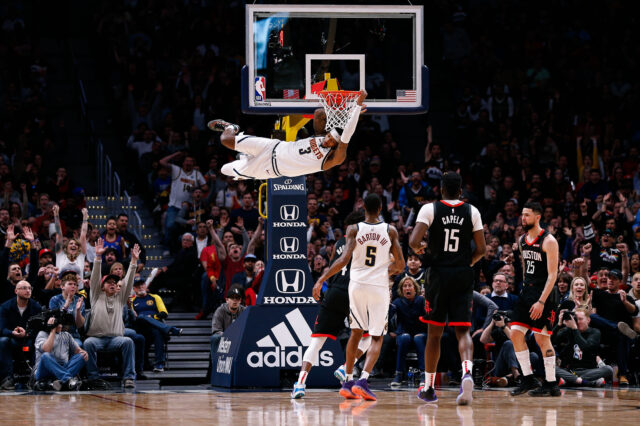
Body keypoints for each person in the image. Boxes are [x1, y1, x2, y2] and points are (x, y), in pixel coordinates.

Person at [315, 193, 405, 401]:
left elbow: (344, 258)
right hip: (378, 286)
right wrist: (385, 271)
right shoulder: (390, 231)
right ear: (381, 208)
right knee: (376, 336)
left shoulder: (353, 229)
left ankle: (347, 381)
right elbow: (400, 265)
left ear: (363, 207)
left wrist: (322, 279)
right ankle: (363, 380)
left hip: (356, 285)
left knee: (355, 332)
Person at [409, 171, 485, 405]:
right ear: (460, 191)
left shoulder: (429, 209)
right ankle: (467, 372)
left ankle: (430, 387)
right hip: (462, 274)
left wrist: (424, 250)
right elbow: (481, 249)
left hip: (438, 276)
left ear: (440, 189)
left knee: (434, 334)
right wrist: (465, 263)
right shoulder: (472, 211)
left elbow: (413, 242)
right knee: (463, 331)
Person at [291, 211, 371, 399]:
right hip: (355, 293)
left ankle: (300, 384)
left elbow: (337, 266)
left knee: (316, 342)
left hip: (334, 292)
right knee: (371, 337)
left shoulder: (339, 243)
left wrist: (321, 281)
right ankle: (345, 368)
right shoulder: (367, 242)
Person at [208, 90, 367, 180]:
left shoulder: (334, 158)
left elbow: (347, 135)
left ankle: (245, 164)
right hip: (272, 146)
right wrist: (346, 111)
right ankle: (231, 127)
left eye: (332, 141)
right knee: (225, 139)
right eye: (329, 136)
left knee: (224, 169)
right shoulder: (320, 135)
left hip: (269, 169)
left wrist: (358, 107)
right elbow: (319, 113)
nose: (327, 139)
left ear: (336, 146)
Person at [508, 201, 561, 397]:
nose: (523, 218)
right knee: (515, 333)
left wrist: (541, 301)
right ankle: (528, 378)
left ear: (537, 217)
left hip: (544, 294)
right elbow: (524, 268)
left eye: (527, 215)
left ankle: (551, 383)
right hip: (526, 292)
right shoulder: (522, 240)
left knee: (541, 338)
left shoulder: (549, 241)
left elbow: (552, 275)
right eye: (522, 215)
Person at [83, 239, 140, 388]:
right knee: (88, 343)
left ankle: (128, 377)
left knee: (128, 341)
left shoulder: (120, 298)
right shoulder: (96, 295)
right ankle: (93, 377)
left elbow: (128, 282)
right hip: (97, 339)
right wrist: (97, 258)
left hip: (116, 338)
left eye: (115, 282)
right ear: (102, 286)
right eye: (109, 282)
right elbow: (95, 277)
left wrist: (133, 261)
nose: (113, 284)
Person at [131, 280, 182, 372]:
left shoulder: (155, 297)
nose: (140, 287)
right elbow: (132, 316)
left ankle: (159, 365)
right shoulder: (132, 301)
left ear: (146, 286)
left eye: (142, 285)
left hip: (154, 326)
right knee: (142, 317)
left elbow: (164, 313)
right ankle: (170, 329)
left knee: (158, 333)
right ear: (134, 289)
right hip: (140, 327)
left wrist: (152, 317)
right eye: (137, 286)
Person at [552, 309, 612, 387]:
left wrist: (575, 329)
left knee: (608, 369)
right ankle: (584, 381)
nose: (578, 322)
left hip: (590, 371)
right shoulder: (570, 330)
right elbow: (551, 341)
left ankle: (571, 381)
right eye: (576, 319)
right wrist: (559, 324)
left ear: (588, 320)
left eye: (581, 319)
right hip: (572, 371)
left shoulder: (595, 332)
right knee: (551, 368)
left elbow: (586, 347)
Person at [0, 281, 43, 390]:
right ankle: (7, 378)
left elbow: (38, 328)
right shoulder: (5, 306)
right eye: (24, 288)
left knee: (38, 341)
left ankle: (36, 377)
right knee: (3, 341)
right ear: (16, 291)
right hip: (11, 339)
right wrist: (12, 333)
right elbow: (1, 328)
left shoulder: (36, 307)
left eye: (29, 288)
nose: (28, 290)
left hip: (28, 339)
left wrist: (27, 333)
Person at [33, 315, 88, 391]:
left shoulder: (66, 335)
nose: (61, 326)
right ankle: (67, 379)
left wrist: (84, 353)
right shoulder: (42, 334)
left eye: (61, 324)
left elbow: (78, 350)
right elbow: (47, 349)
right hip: (44, 371)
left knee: (82, 356)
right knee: (46, 356)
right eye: (58, 324)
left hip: (62, 368)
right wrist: (52, 330)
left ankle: (58, 383)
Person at [390, 276, 428, 387]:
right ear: (401, 290)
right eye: (405, 286)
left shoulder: (421, 300)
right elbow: (388, 318)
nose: (407, 288)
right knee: (404, 338)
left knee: (418, 338)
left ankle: (424, 374)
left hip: (421, 332)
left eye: (410, 286)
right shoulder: (397, 302)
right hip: (404, 332)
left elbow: (428, 317)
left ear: (415, 289)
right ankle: (399, 374)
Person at [210, 286, 246, 373]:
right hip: (224, 339)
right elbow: (216, 331)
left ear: (240, 301)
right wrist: (229, 336)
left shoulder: (244, 311)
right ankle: (216, 368)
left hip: (240, 340)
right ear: (227, 300)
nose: (235, 301)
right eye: (232, 298)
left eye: (237, 298)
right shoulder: (220, 311)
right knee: (215, 338)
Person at [48, 267, 86, 348]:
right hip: (57, 334)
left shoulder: (79, 301)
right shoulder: (55, 300)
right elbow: (55, 322)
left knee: (78, 345)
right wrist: (66, 305)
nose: (73, 286)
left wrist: (78, 310)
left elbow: (79, 325)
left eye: (75, 284)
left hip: (74, 336)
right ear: (62, 286)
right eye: (70, 284)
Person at [53, 205, 88, 277]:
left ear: (79, 248)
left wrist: (85, 218)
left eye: (76, 244)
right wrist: (56, 215)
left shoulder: (81, 256)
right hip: (62, 288)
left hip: (80, 288)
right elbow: (59, 234)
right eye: (71, 243)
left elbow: (83, 235)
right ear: (66, 247)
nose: (73, 245)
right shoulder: (60, 255)